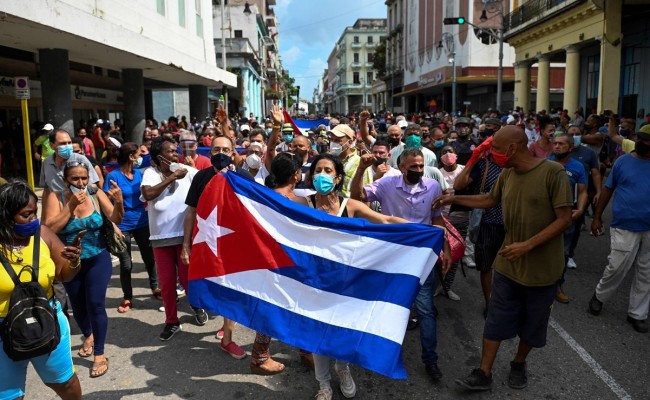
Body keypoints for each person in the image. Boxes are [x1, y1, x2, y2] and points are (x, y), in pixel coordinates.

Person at [434, 125, 572, 391]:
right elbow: (488, 200)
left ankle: (519, 363)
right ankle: (484, 372)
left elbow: (565, 218)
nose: (492, 153)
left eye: (495, 148)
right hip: (508, 266)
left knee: (533, 323)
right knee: (496, 319)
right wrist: (452, 197)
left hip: (542, 270)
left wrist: (527, 246)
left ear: (511, 148)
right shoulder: (507, 175)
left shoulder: (553, 173)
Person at [309, 153, 416, 400]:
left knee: (344, 328)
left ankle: (343, 368)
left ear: (337, 178)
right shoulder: (305, 204)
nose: (321, 175)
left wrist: (423, 230)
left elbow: (386, 220)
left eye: (327, 171)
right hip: (316, 279)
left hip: (347, 280)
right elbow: (271, 205)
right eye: (317, 170)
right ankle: (323, 384)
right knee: (319, 333)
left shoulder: (350, 206)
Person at [351, 148, 452, 384]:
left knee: (425, 309)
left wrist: (444, 247)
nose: (418, 170)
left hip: (421, 256)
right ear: (401, 166)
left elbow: (437, 219)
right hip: (391, 255)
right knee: (382, 305)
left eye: (421, 166)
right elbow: (358, 197)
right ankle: (374, 352)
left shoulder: (433, 187)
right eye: (413, 167)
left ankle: (430, 360)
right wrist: (362, 169)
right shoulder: (387, 184)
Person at [0, 181, 83, 399]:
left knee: (65, 383)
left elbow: (63, 274)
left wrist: (73, 261)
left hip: (47, 321)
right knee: (10, 395)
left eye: (34, 213)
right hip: (3, 331)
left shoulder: (43, 234)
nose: (33, 220)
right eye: (26, 215)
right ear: (6, 216)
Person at [43, 161, 124, 379]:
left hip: (98, 257)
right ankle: (88, 334)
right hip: (69, 261)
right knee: (78, 305)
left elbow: (115, 218)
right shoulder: (55, 196)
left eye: (84, 178)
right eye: (75, 179)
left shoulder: (95, 193)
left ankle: (99, 354)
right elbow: (48, 229)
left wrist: (119, 202)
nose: (81, 183)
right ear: (65, 180)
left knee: (96, 304)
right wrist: (69, 207)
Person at [180, 135, 252, 356]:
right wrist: (186, 245)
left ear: (233, 153)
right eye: (216, 149)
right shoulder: (201, 177)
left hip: (235, 243)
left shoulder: (243, 176)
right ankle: (222, 320)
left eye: (226, 149)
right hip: (208, 242)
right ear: (209, 153)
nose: (221, 153)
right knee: (213, 286)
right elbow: (191, 211)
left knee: (232, 288)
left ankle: (228, 336)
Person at [141, 138, 208, 341]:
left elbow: (208, 178)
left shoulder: (186, 172)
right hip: (160, 240)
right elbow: (148, 194)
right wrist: (172, 178)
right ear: (159, 157)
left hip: (184, 238)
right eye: (170, 152)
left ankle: (196, 306)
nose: (175, 155)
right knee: (167, 284)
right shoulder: (150, 174)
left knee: (189, 280)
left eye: (175, 151)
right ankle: (171, 322)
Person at [588, 127, 650, 333]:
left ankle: (637, 314)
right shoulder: (623, 162)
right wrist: (597, 217)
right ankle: (600, 296)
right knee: (617, 266)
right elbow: (608, 190)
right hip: (625, 224)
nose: (645, 143)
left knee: (647, 272)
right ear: (636, 139)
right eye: (642, 139)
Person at [104, 143, 160, 313]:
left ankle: (155, 287)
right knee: (126, 264)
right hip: (122, 225)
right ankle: (127, 297)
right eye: (138, 154)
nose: (140, 157)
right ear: (130, 156)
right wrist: (113, 225)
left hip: (142, 223)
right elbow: (106, 202)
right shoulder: (112, 177)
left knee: (150, 259)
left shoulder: (140, 174)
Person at [548, 134, 588, 303]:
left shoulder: (578, 167)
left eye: (561, 144)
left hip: (567, 216)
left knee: (562, 253)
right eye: (555, 143)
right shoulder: (544, 163)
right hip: (545, 215)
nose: (557, 146)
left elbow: (583, 191)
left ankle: (557, 286)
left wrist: (580, 209)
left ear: (570, 147)